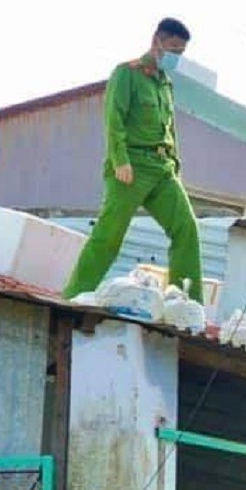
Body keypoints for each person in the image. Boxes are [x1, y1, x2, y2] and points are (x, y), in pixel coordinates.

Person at [62, 17, 203, 302]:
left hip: (163, 170)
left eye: (181, 53)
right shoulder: (127, 74)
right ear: (157, 41)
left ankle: (185, 303)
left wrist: (175, 166)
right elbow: (114, 118)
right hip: (132, 166)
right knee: (109, 235)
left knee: (186, 228)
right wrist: (120, 160)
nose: (176, 57)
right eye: (173, 49)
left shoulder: (166, 83)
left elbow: (170, 128)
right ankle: (75, 296)